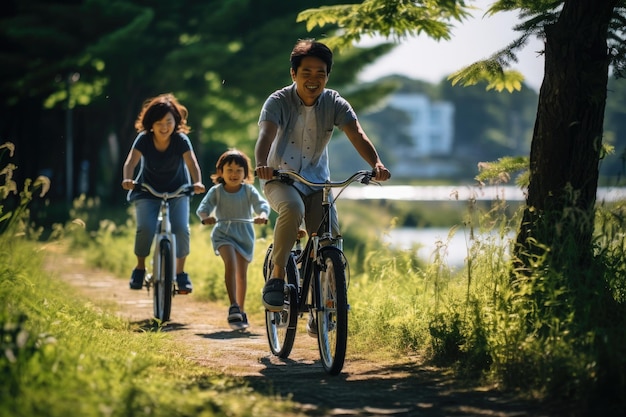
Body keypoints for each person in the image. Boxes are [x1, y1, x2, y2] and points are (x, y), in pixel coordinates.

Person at [254, 39, 392, 329]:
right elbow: (265, 136)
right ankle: (277, 275)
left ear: (327, 76)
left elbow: (357, 134)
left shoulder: (335, 102)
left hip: (318, 182)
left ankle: (326, 303)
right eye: (306, 72)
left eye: (320, 73)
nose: (313, 79)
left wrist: (376, 164)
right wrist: (262, 164)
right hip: (281, 177)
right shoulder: (278, 101)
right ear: (294, 74)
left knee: (329, 239)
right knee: (291, 209)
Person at [121, 93, 206, 293]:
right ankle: (140, 267)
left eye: (169, 121)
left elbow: (192, 163)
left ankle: (181, 272)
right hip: (147, 190)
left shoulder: (180, 140)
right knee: (146, 228)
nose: (164, 126)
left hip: (178, 190)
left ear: (175, 122)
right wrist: (127, 178)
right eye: (159, 122)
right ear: (151, 124)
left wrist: (197, 182)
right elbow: (131, 162)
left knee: (181, 229)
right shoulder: (144, 139)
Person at [196, 149, 270, 330]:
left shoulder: (248, 191)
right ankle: (233, 305)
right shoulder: (217, 192)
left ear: (245, 173)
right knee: (231, 264)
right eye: (229, 170)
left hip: (244, 234)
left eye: (239, 170)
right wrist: (206, 217)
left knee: (241, 274)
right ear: (221, 172)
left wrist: (262, 214)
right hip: (223, 233)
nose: (234, 174)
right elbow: (203, 208)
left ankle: (241, 310)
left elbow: (262, 205)